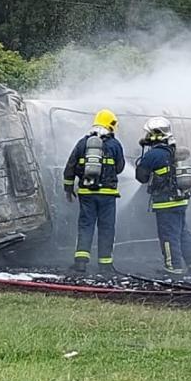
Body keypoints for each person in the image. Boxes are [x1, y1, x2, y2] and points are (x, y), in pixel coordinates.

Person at [134, 116, 191, 276]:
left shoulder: (153, 155)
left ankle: (173, 267)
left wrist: (143, 158)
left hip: (165, 203)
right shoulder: (173, 150)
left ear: (155, 135)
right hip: (180, 200)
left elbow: (141, 177)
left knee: (168, 236)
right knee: (182, 233)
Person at [62, 109, 125, 275]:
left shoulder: (83, 143)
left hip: (86, 194)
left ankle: (81, 263)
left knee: (85, 226)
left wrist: (68, 188)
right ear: (111, 125)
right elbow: (120, 167)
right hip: (108, 195)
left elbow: (70, 167)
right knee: (106, 228)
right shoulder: (115, 144)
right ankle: (105, 264)